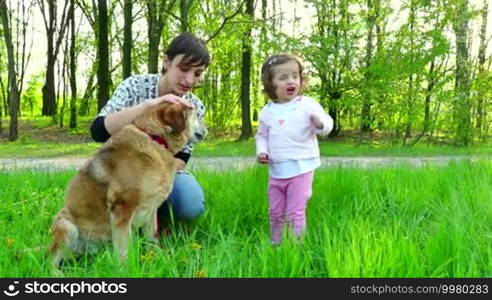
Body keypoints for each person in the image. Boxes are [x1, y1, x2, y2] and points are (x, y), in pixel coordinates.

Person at [90, 32, 210, 234]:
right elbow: (99, 131)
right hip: (121, 168)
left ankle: (155, 223)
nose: (189, 80)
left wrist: (150, 179)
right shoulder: (134, 86)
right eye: (184, 68)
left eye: (197, 73)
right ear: (166, 62)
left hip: (161, 173)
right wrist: (146, 107)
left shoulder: (194, 106)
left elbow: (182, 157)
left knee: (189, 202)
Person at [255, 54, 334, 244]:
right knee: (275, 211)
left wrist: (321, 123)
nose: (291, 81)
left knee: (295, 212)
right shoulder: (267, 111)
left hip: (301, 168)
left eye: (294, 76)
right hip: (276, 172)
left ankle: (295, 248)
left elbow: (327, 124)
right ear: (271, 83)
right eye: (283, 78)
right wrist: (262, 151)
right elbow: (262, 135)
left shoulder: (307, 105)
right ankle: (276, 244)